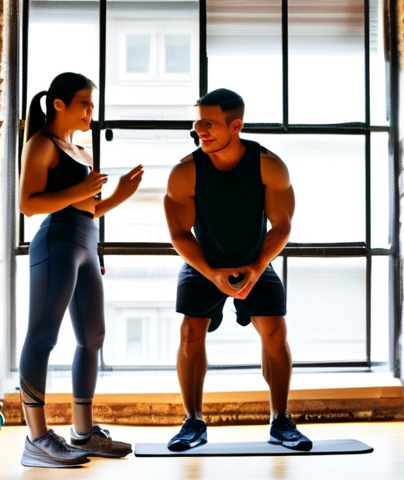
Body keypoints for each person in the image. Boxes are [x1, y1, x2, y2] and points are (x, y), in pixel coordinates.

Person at [163, 88, 311, 452]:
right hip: (203, 263)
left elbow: (282, 226)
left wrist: (257, 268)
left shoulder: (269, 166)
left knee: (274, 333)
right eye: (197, 123)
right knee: (189, 334)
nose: (200, 130)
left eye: (209, 124)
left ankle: (280, 420)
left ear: (236, 126)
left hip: (255, 260)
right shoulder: (185, 172)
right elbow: (179, 234)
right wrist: (211, 273)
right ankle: (193, 421)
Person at [18, 72, 144, 467]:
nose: (91, 110)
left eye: (92, 104)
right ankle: (36, 439)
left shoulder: (82, 152)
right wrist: (80, 190)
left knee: (93, 337)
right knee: (43, 336)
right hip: (56, 243)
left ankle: (84, 433)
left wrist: (119, 194)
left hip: (85, 243)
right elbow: (28, 204)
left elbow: (87, 208)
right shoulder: (41, 144)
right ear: (59, 104)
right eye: (84, 103)